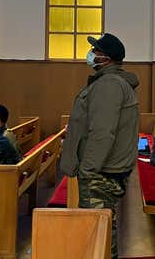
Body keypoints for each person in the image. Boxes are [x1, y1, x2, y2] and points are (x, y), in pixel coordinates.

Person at [60, 33, 140, 259]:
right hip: (102, 171)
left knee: (97, 233)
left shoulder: (109, 84)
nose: (91, 54)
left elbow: (103, 132)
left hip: (100, 173)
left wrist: (88, 169)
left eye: (95, 51)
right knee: (101, 229)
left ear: (106, 58)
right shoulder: (108, 82)